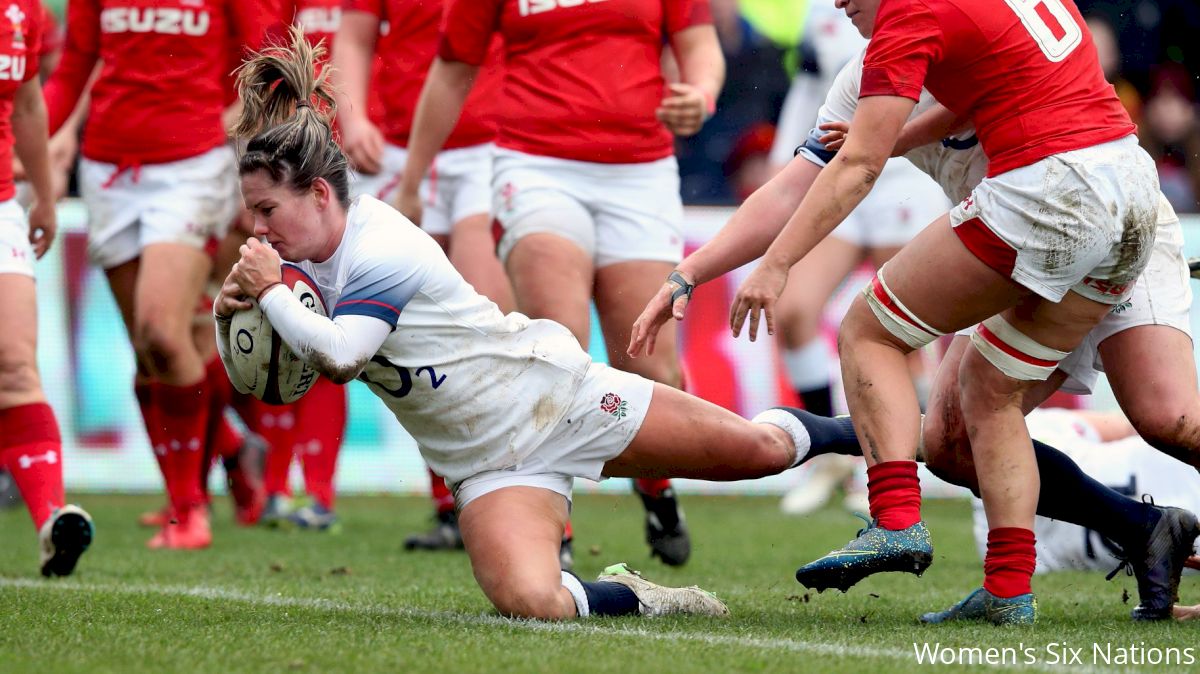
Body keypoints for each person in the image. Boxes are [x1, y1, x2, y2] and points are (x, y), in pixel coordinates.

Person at [214, 31, 820, 619]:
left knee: (761, 451)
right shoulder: (297, 269)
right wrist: (227, 316)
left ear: (320, 194)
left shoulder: (380, 246)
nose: (258, 230)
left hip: (555, 400)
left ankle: (888, 447)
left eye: (267, 211)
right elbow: (266, 381)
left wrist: (269, 292)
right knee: (532, 601)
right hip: (484, 464)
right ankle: (646, 597)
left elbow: (342, 359)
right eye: (253, 214)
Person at [630, 17, 1192, 623]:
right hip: (1067, 215)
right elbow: (794, 186)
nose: (839, 1)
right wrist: (690, 270)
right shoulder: (878, 71)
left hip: (1067, 207)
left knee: (1164, 415)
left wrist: (778, 264)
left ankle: (890, 511)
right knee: (962, 431)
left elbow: (864, 160)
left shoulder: (928, 23)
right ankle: (1135, 532)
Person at [396, 0, 726, 568]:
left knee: (650, 366)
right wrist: (410, 179)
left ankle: (655, 487)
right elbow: (452, 68)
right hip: (534, 164)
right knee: (557, 350)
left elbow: (701, 46)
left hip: (639, 171)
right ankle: (557, 529)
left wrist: (701, 93)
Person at [42, 0, 278, 549]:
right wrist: (32, 144)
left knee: (163, 332)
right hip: (108, 166)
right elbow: (76, 64)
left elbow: (268, 66)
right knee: (150, 352)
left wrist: (251, 154)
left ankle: (189, 510)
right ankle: (227, 459)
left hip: (192, 164)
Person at [331, 0, 515, 553]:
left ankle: (515, 500)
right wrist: (354, 115)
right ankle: (449, 504)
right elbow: (354, 38)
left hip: (493, 143)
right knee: (409, 333)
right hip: (398, 150)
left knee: (491, 321)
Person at [0, 0, 93, 576]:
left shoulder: (22, 10)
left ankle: (51, 519)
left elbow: (28, 102)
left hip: (3, 204)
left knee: (14, 366)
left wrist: (44, 194)